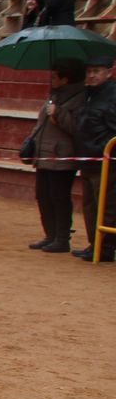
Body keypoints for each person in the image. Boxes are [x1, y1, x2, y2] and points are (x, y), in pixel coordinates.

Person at [22, 58, 88, 253]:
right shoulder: (54, 96)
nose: (51, 79)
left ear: (65, 79)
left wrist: (58, 113)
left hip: (62, 155)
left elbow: (77, 127)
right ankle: (50, 235)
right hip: (44, 153)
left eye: (54, 76)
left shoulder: (80, 98)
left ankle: (61, 238)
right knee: (43, 195)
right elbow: (41, 123)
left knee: (59, 196)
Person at [74, 53, 116, 261]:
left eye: (96, 72)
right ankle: (95, 244)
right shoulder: (89, 95)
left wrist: (104, 151)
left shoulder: (112, 96)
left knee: (106, 206)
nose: (91, 76)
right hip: (88, 159)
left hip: (105, 162)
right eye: (89, 72)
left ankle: (105, 248)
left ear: (109, 73)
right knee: (90, 205)